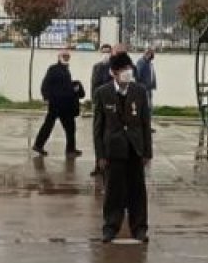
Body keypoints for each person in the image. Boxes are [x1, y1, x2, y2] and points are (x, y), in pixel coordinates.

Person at [93, 51, 153, 242]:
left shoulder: (139, 91)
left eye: (129, 69)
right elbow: (98, 128)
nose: (127, 73)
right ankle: (110, 227)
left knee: (137, 191)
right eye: (122, 70)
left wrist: (147, 152)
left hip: (135, 149)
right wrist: (100, 155)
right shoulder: (102, 93)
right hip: (113, 150)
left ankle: (139, 228)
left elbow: (145, 123)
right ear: (114, 73)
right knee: (113, 191)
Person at [34, 48, 83, 157]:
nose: (66, 58)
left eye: (68, 56)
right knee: (51, 125)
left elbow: (64, 86)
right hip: (56, 103)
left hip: (65, 104)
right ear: (59, 57)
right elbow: (46, 83)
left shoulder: (66, 70)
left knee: (69, 127)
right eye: (64, 56)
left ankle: (70, 150)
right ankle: (39, 145)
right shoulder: (54, 69)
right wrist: (46, 97)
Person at [88, 43, 114, 177]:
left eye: (108, 52)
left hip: (111, 105)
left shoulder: (114, 67)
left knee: (109, 136)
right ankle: (98, 164)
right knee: (98, 135)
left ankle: (109, 164)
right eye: (104, 52)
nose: (106, 54)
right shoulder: (96, 67)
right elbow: (93, 85)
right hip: (99, 105)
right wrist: (93, 101)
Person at [135, 47, 158, 124]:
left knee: (149, 108)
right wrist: (141, 87)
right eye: (147, 53)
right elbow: (137, 75)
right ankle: (144, 126)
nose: (148, 55)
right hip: (144, 88)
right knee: (146, 108)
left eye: (150, 53)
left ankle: (147, 125)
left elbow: (151, 75)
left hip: (149, 88)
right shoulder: (141, 62)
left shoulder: (149, 63)